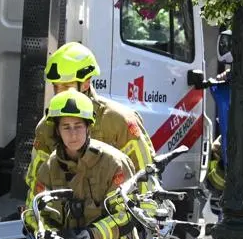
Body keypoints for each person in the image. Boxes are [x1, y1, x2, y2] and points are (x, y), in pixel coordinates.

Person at [25, 42, 154, 213]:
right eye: (57, 87)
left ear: (85, 83)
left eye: (67, 86)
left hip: (113, 221)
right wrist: (33, 219)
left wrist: (144, 217)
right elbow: (36, 179)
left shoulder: (118, 121)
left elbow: (145, 173)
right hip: (67, 223)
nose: (61, 93)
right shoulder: (47, 127)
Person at [31, 89, 138, 239]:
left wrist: (91, 235)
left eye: (78, 126)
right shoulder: (48, 168)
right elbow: (34, 213)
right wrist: (49, 234)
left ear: (89, 127)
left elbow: (126, 215)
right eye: (66, 127)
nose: (73, 134)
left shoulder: (114, 163)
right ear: (57, 130)